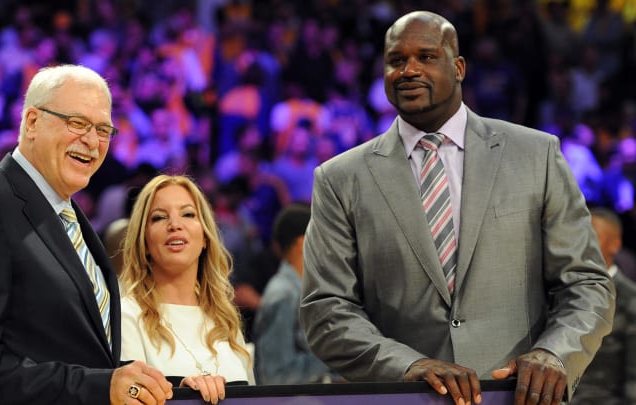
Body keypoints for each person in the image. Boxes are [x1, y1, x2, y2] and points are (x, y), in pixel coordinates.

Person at [299, 11, 615, 405]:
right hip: (405, 398)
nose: (409, 70)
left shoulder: (536, 154)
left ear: (459, 67)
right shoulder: (340, 178)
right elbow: (326, 308)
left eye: (426, 57)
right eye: (396, 61)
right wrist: (407, 366)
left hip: (516, 396)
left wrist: (555, 353)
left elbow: (587, 283)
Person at [0, 65, 174, 405]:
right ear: (32, 122)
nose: (92, 141)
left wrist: (166, 386)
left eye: (103, 130)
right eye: (77, 123)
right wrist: (101, 387)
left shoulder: (70, 216)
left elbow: (78, 356)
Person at [119, 174, 254, 405]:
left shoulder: (226, 320)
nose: (175, 225)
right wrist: (180, 398)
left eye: (188, 214)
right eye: (159, 217)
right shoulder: (126, 316)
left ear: (204, 237)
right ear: (144, 242)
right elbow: (127, 396)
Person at [253, 204, 333, 385]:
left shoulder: (301, 290)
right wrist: (333, 362)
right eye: (322, 237)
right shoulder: (283, 295)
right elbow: (276, 376)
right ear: (302, 243)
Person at [570, 207, 636, 404]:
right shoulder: (562, 291)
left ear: (615, 245)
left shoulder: (630, 300)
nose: (584, 242)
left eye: (593, 235)